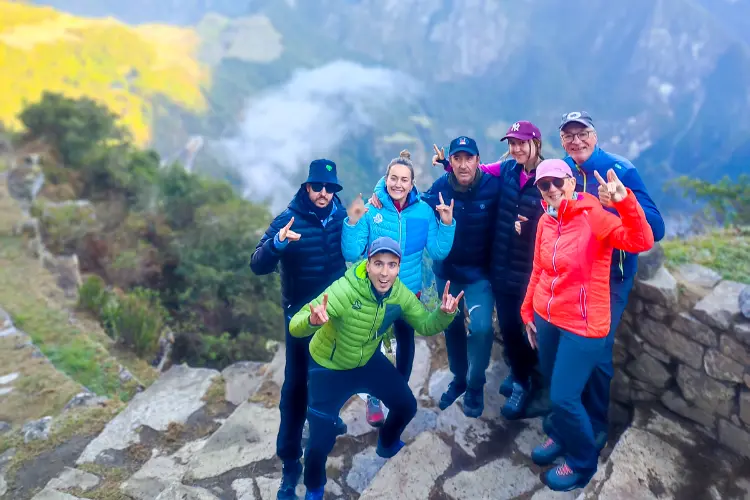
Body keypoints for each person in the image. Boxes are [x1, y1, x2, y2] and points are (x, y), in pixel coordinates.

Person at [290, 236, 463, 500]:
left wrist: (445, 313)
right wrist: (313, 321)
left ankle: (387, 443)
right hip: (329, 366)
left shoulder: (398, 294)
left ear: (398, 267)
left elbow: (426, 325)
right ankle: (314, 487)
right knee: (318, 444)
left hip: (367, 360)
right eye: (378, 264)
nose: (384, 272)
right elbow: (296, 325)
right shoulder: (345, 290)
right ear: (368, 265)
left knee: (406, 405)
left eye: (392, 265)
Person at [521, 159, 655, 491]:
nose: (552, 189)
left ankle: (582, 462)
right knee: (556, 387)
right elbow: (539, 269)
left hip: (583, 323)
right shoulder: (545, 221)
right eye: (544, 184)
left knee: (564, 396)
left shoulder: (593, 215)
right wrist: (527, 312)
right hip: (547, 317)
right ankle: (560, 435)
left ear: (571, 181)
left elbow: (641, 241)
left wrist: (625, 201)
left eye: (557, 182)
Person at [555, 111, 666, 449]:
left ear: (595, 134)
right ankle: (569, 416)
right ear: (562, 140)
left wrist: (619, 203)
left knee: (599, 350)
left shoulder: (620, 170)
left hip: (612, 277)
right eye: (569, 135)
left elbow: (656, 229)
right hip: (577, 276)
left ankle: (594, 422)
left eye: (582, 133)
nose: (576, 140)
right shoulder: (565, 170)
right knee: (574, 347)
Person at [249, 159, 349, 500]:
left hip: (334, 312)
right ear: (307, 187)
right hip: (300, 317)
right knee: (295, 390)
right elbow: (258, 264)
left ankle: (328, 419)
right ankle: (290, 466)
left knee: (333, 376)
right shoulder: (288, 219)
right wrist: (278, 242)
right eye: (317, 186)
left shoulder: (340, 215)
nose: (323, 193)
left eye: (329, 188)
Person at [434, 121, 545, 419]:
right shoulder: (441, 187)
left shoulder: (495, 183)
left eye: (468, 157)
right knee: (451, 326)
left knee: (482, 328)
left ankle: (475, 384)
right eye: (456, 158)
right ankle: (459, 379)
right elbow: (413, 209)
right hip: (447, 273)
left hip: (482, 273)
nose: (462, 163)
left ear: (478, 161)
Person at [342, 149, 456, 427]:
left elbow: (438, 251)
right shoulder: (372, 210)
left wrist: (447, 223)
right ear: (386, 178)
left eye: (404, 180)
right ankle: (372, 396)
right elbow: (352, 250)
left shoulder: (423, 212)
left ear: (412, 183)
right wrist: (353, 220)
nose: (398, 184)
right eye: (394, 178)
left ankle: (398, 392)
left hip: (409, 294)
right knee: (370, 344)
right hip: (375, 293)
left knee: (405, 344)